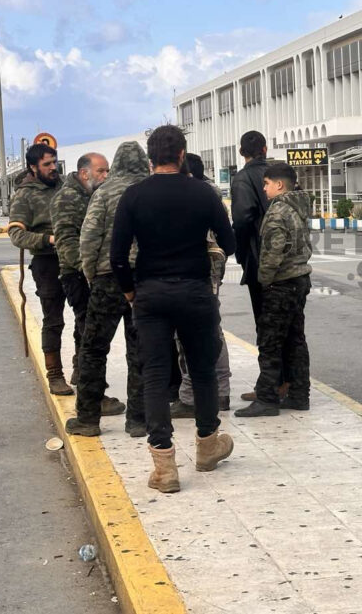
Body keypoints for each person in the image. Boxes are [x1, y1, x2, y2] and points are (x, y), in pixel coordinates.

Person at [110, 126, 236, 493]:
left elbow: (117, 256)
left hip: (151, 294)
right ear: (182, 155)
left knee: (155, 373)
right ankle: (208, 445)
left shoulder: (133, 196)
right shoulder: (204, 192)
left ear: (151, 159)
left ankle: (164, 466)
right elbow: (228, 243)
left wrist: (132, 293)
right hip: (195, 292)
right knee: (202, 370)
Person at [64, 142, 150, 439]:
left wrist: (90, 273)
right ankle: (139, 420)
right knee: (141, 349)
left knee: (94, 348)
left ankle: (88, 419)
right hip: (146, 279)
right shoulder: (151, 190)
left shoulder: (105, 191)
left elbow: (89, 237)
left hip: (107, 277)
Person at [235, 162, 313, 418]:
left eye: (267, 183)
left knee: (270, 342)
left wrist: (264, 280)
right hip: (300, 278)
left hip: (281, 283)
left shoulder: (278, 211)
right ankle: (300, 394)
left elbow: (272, 252)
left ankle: (267, 398)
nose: (264, 188)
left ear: (279, 185)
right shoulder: (299, 206)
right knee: (295, 340)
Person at [171, 153, 233, 416]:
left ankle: (191, 396)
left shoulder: (194, 196)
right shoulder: (211, 195)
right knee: (211, 329)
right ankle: (220, 391)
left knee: (190, 335)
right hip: (210, 272)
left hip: (197, 274)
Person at [8, 143, 70, 395]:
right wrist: (48, 240)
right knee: (53, 320)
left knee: (87, 318)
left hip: (75, 260)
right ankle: (55, 374)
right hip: (47, 262)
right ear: (33, 167)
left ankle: (82, 369)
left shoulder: (67, 187)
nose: (53, 168)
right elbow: (16, 234)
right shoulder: (25, 195)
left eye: (54, 163)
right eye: (47, 164)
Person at [231, 130, 288, 402]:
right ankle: (291, 384)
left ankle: (270, 387)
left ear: (242, 152)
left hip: (260, 259)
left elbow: (242, 220)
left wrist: (241, 254)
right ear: (265, 149)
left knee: (265, 326)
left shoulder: (243, 178)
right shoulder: (281, 175)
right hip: (288, 260)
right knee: (288, 326)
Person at [50, 152, 108, 387]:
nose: (106, 176)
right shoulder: (67, 198)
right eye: (101, 171)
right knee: (89, 329)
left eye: (107, 171)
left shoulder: (91, 194)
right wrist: (89, 271)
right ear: (84, 173)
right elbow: (66, 242)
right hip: (77, 274)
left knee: (84, 326)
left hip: (88, 272)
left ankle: (79, 371)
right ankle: (90, 385)